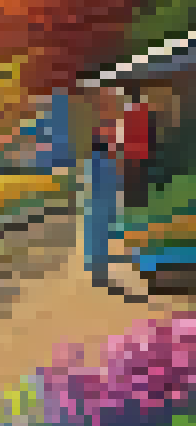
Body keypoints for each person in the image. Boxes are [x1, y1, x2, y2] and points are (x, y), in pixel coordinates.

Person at [85, 129, 119, 286]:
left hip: (94, 205)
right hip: (103, 204)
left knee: (94, 238)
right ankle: (100, 272)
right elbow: (113, 186)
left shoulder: (90, 162)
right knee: (101, 239)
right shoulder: (109, 163)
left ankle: (94, 270)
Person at [122, 87, 154, 210]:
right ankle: (140, 202)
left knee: (130, 177)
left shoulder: (127, 112)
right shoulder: (146, 111)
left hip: (130, 151)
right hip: (142, 150)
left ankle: (130, 202)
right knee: (140, 177)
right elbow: (151, 132)